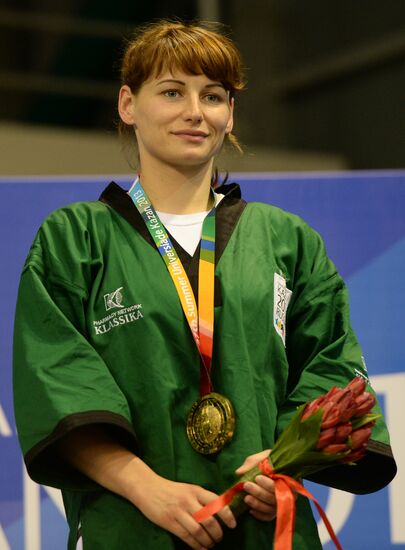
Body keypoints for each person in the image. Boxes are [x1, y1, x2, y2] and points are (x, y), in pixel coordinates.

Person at [13, 19, 396, 550]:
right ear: (128, 104)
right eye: (172, 92)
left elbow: (332, 370)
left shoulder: (287, 241)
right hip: (132, 529)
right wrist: (147, 489)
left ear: (230, 113)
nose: (195, 112)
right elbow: (55, 380)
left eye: (212, 96)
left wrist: (283, 459)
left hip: (264, 525)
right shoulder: (74, 240)